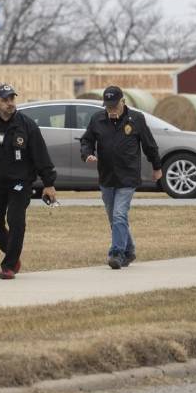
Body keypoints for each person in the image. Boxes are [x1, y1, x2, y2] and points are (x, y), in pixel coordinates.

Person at [0, 83, 57, 280]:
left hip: (19, 183)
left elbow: (41, 155)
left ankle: (9, 265)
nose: (10, 103)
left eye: (12, 99)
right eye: (5, 100)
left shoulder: (27, 125)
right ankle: (13, 253)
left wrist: (48, 183)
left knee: (16, 220)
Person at [80, 86, 162, 270]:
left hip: (128, 176)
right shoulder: (97, 119)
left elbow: (150, 145)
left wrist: (157, 166)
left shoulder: (136, 119)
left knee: (119, 215)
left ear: (122, 101)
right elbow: (86, 140)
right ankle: (130, 250)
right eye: (108, 107)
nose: (111, 110)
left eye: (114, 106)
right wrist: (87, 154)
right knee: (115, 217)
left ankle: (116, 254)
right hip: (107, 177)